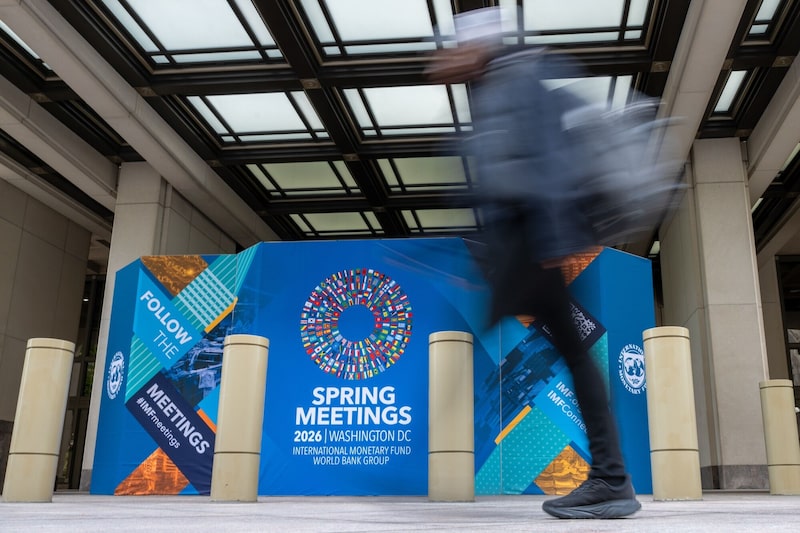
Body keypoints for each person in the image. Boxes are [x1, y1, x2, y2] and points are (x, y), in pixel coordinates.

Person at [427, 7, 641, 519]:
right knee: (572, 352)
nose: (445, 60)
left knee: (573, 352)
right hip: (526, 242)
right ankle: (612, 478)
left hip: (537, 241)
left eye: (454, 48)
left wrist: (545, 244)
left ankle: (612, 479)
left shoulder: (516, 81)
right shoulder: (503, 84)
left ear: (478, 46)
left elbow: (546, 163)